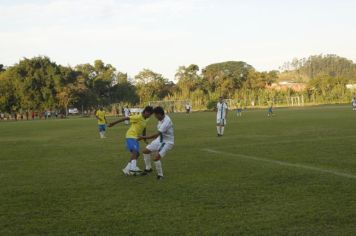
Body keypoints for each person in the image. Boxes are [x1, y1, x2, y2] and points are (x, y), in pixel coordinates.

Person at [108, 106, 154, 176]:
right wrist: (113, 123)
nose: (150, 116)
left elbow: (144, 127)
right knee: (135, 152)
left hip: (135, 137)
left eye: (151, 115)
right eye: (149, 114)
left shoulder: (146, 119)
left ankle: (126, 169)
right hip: (130, 135)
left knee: (137, 154)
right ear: (146, 112)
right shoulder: (138, 117)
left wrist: (144, 138)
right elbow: (125, 118)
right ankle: (133, 168)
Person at [138, 106, 174, 180]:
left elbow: (156, 134)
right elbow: (157, 135)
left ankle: (160, 176)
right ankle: (148, 169)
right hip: (159, 139)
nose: (155, 117)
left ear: (159, 114)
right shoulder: (161, 118)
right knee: (145, 151)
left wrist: (143, 137)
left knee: (156, 158)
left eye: (155, 115)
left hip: (167, 142)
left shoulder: (166, 122)